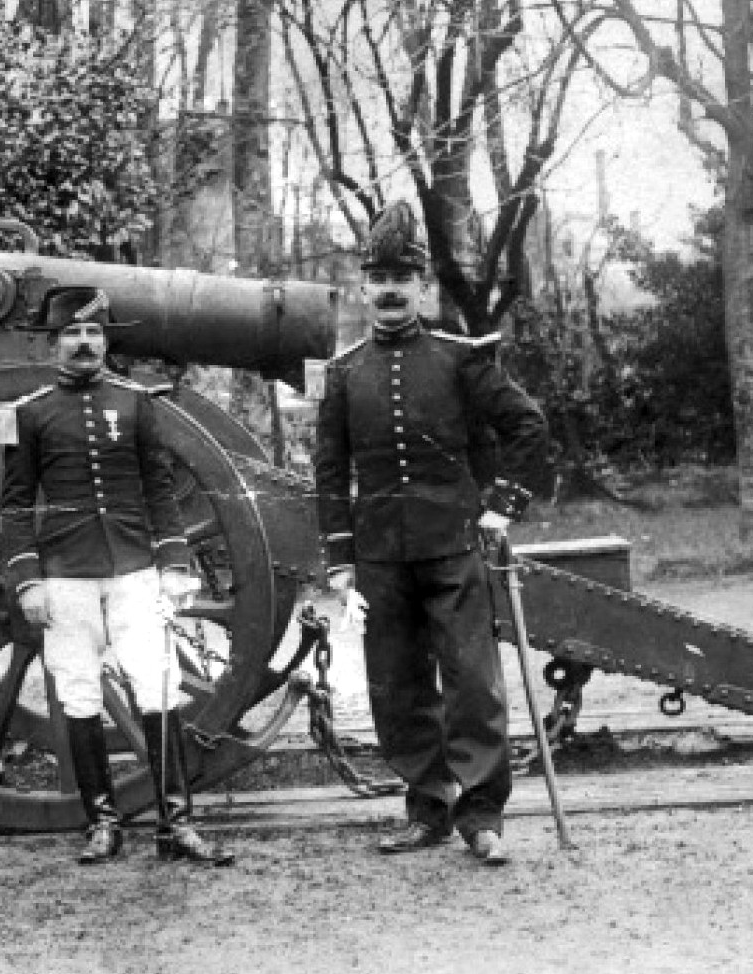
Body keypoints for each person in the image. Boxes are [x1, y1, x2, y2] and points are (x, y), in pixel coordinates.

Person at [313, 201, 549, 866]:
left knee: (471, 683)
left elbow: (527, 426)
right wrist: (340, 559)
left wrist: (500, 507)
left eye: (402, 278)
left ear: (423, 288)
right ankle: (427, 810)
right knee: (396, 686)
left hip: (453, 547)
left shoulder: (459, 359)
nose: (389, 290)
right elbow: (328, 472)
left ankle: (481, 817)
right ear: (364, 289)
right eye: (378, 278)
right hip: (379, 556)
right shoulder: (344, 373)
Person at [0, 286, 234, 867]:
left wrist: (174, 564)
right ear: (53, 344)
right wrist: (27, 579)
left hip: (134, 571)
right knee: (78, 693)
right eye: (72, 334)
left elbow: (159, 489)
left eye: (93, 333)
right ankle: (102, 822)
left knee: (156, 687)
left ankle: (176, 823)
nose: (84, 343)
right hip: (66, 576)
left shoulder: (136, 405)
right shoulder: (29, 413)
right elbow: (15, 505)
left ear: (106, 341)